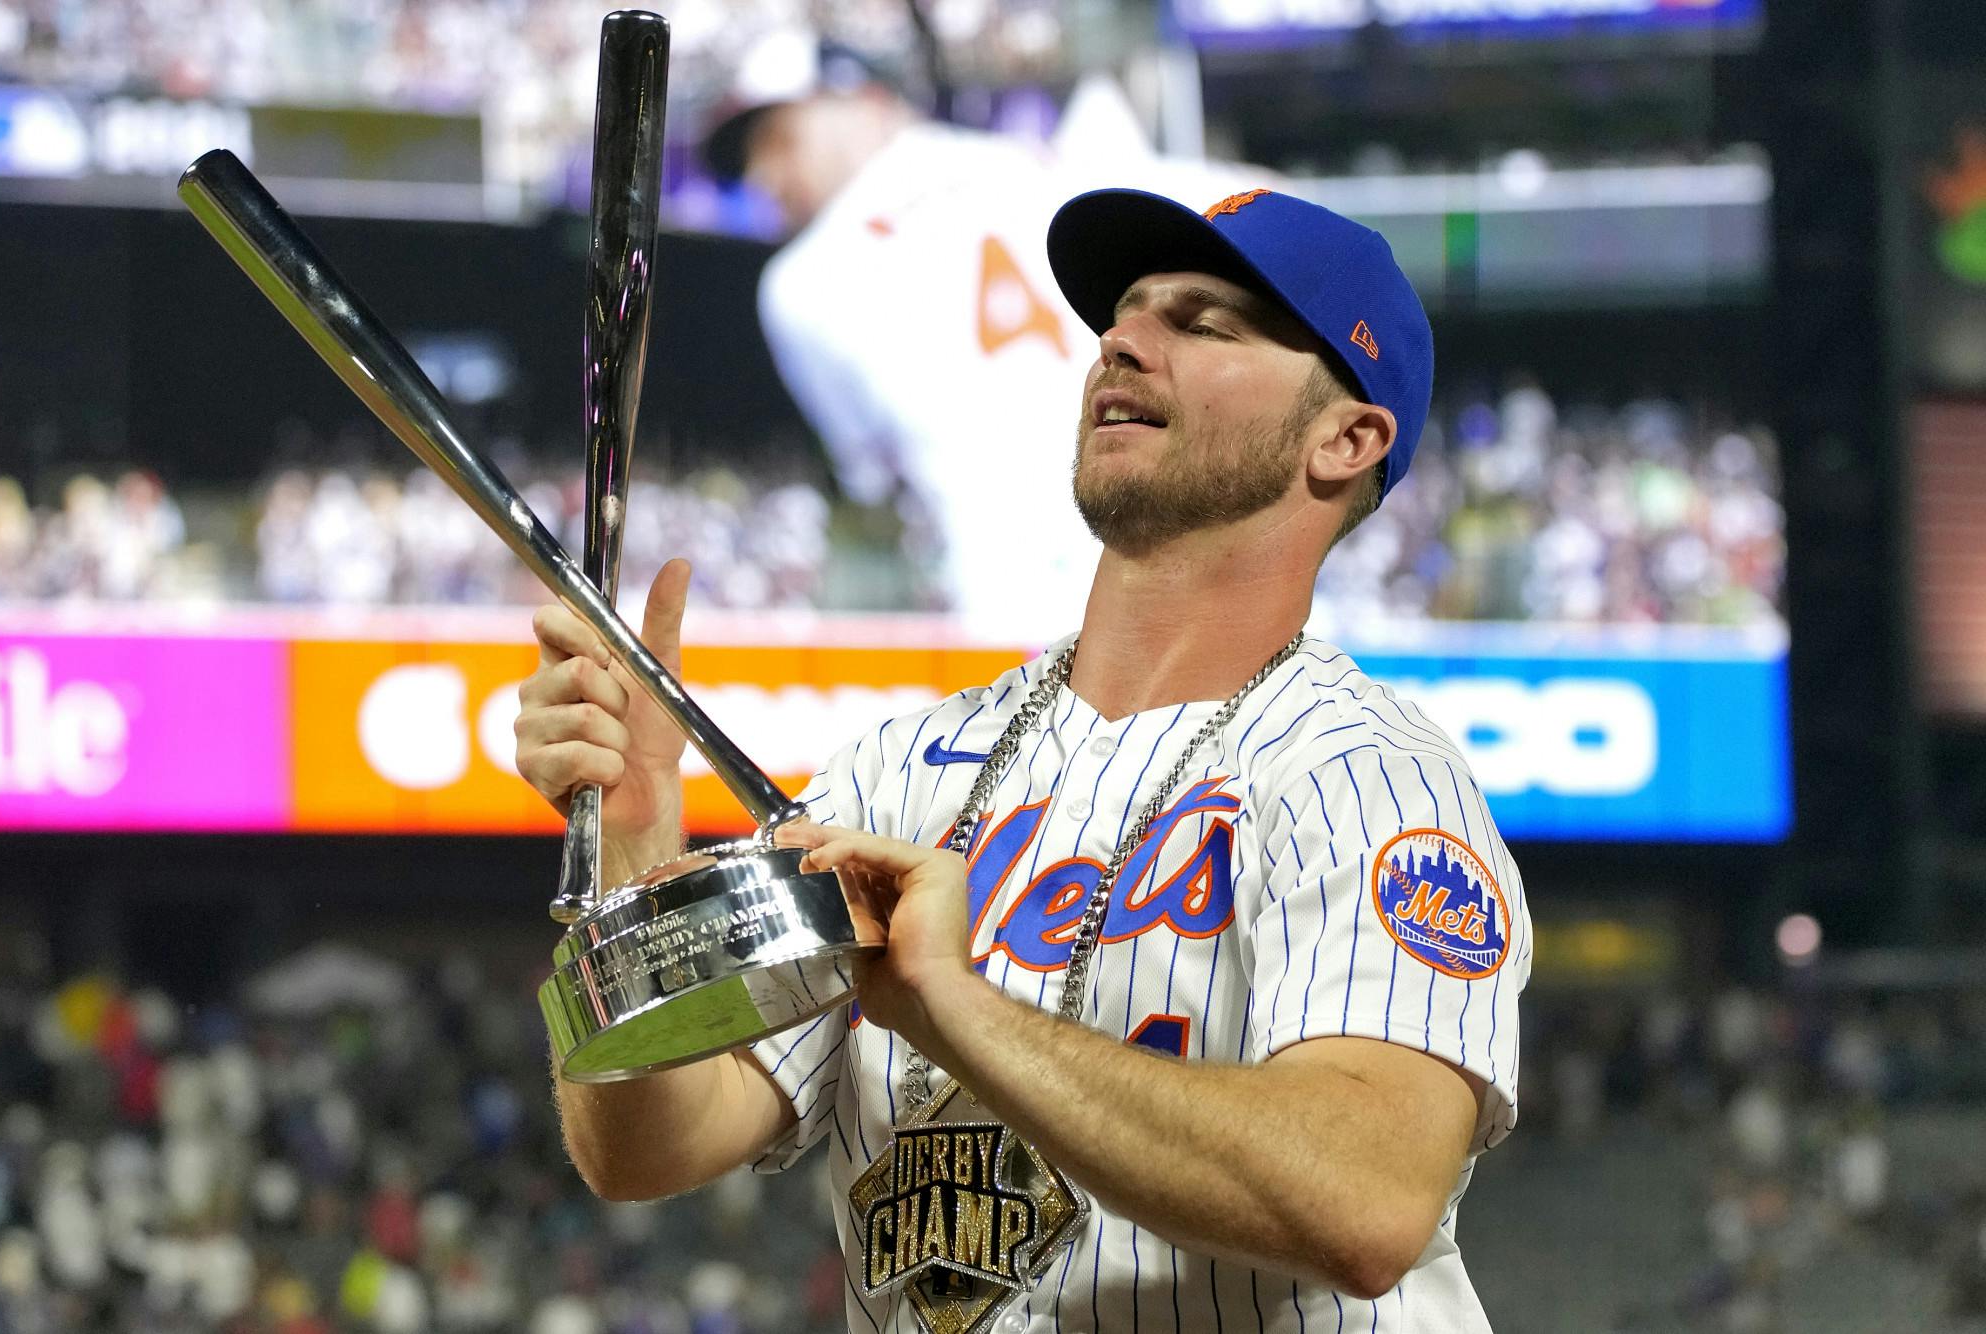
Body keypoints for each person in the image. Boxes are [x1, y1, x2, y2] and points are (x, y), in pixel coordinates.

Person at [513, 185, 1531, 1331]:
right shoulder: (897, 768)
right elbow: (650, 1141)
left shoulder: (1368, 777)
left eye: (1203, 324)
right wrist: (632, 843)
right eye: (1125, 313)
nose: (1121, 341)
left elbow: (1367, 1197)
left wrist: (954, 1006)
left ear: (1344, 438)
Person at [706, 31, 1275, 637]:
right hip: (1202, 576)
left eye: (779, 138)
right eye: (748, 165)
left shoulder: (804, 281)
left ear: (869, 101)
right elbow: (1271, 212)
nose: (764, 176)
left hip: (1014, 610)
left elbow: (872, 488)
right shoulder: (1048, 164)